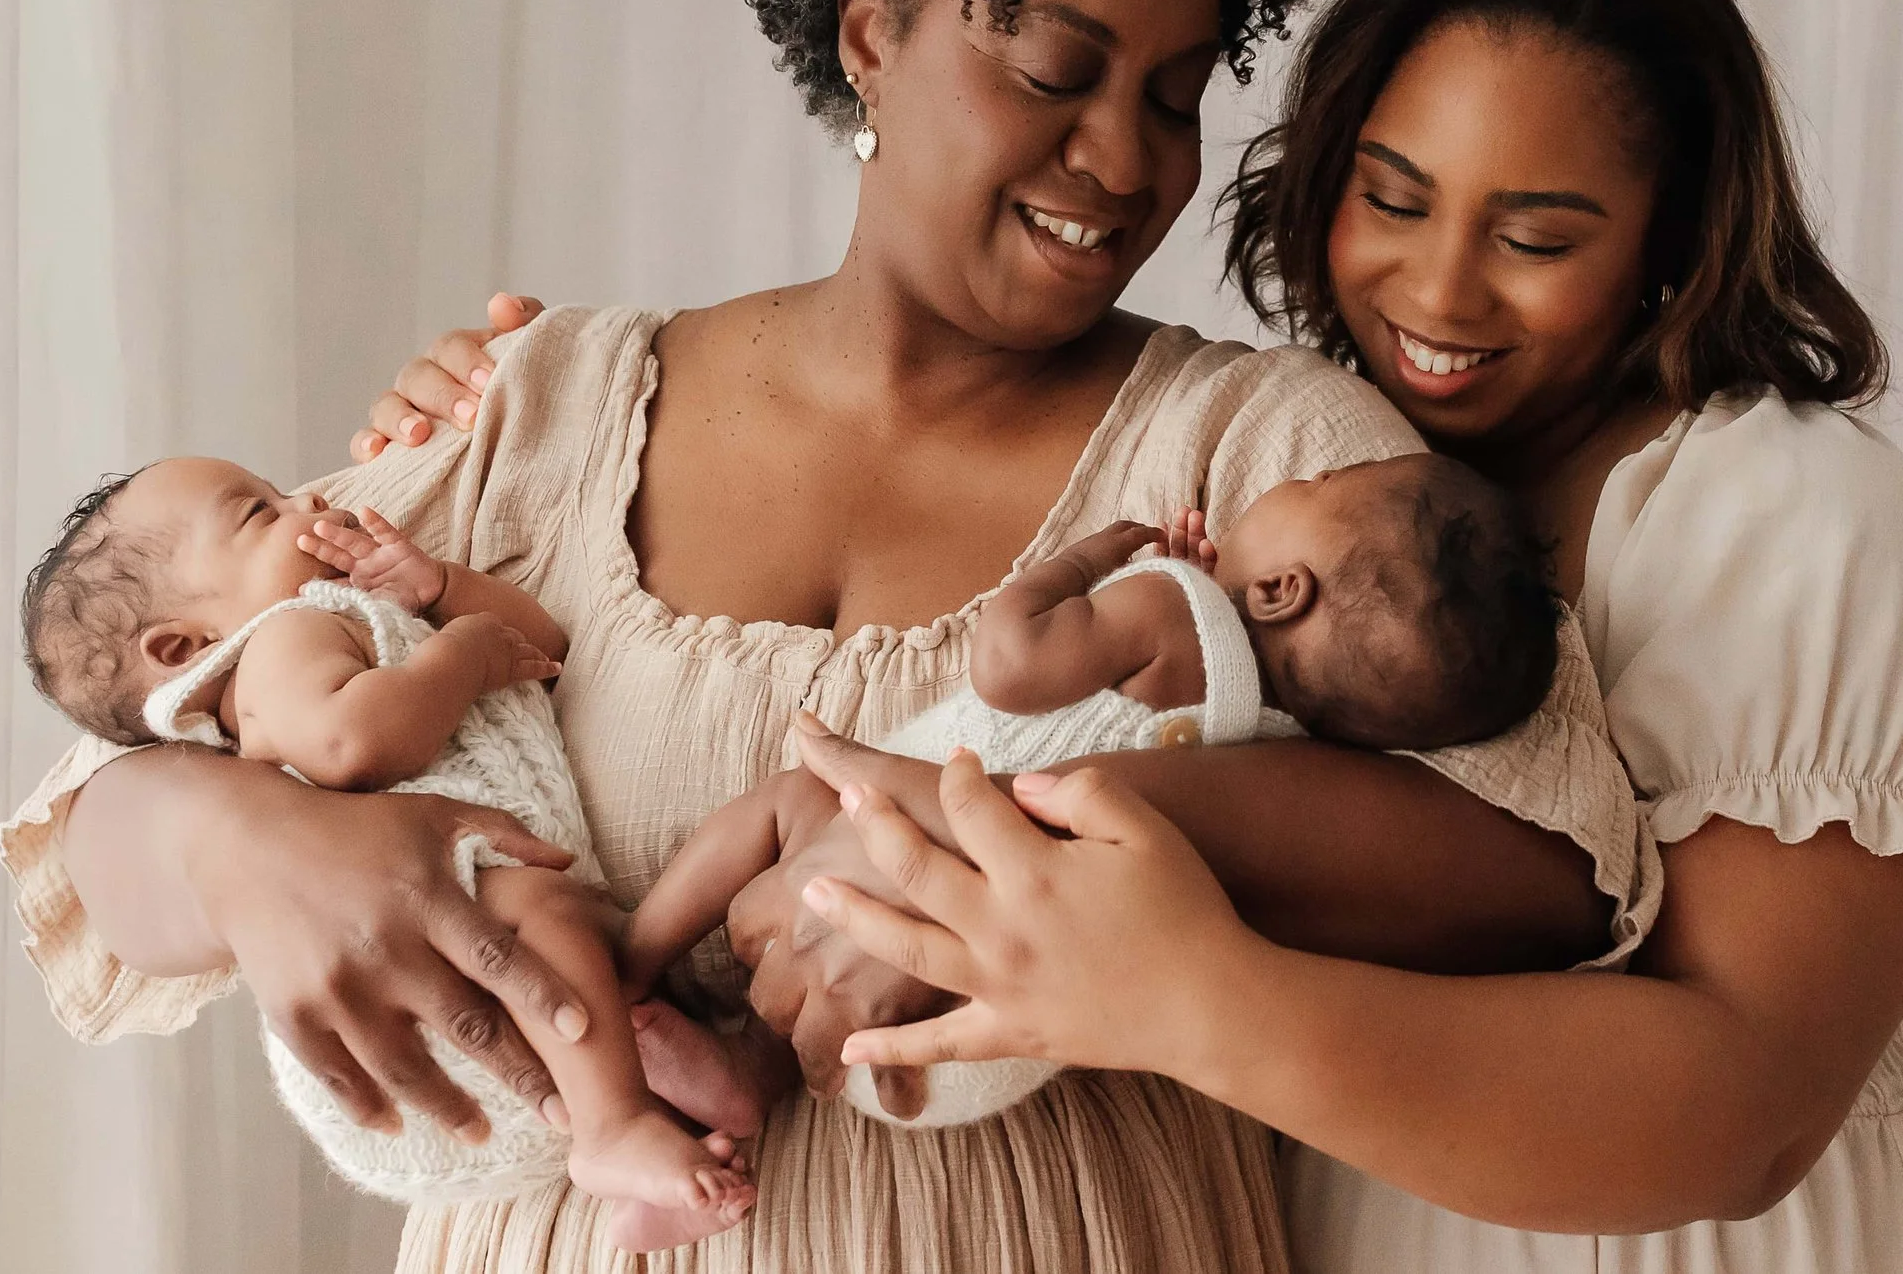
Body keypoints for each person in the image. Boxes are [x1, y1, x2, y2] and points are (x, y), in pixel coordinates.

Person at [0, 0, 1651, 1271]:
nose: (1130, 160)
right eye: (1058, 69)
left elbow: (1547, 864)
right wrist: (233, 843)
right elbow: (100, 815)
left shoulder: (1255, 452)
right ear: (872, 31)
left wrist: (980, 849)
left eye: (1172, 93)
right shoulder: (541, 406)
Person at [784, 0, 1903, 1274]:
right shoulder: (1308, 482)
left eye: (1536, 241)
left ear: (1668, 244)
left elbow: (1746, 1119)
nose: (1441, 293)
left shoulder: (1800, 534)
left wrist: (1183, 993)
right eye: (1392, 199)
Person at [620, 456, 1561, 1132]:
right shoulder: (1289, 752)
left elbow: (1007, 665)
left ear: (1279, 590)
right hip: (989, 1035)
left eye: (1312, 486)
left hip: (891, 858)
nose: (1287, 483)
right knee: (818, 1032)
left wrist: (1093, 565)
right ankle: (746, 1076)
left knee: (793, 792)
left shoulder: (1166, 610)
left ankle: (634, 956)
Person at [18, 460, 751, 1227]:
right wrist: (460, 654)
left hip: (468, 923)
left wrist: (441, 592)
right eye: (260, 514)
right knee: (552, 916)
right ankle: (611, 1130)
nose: (310, 499)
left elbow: (538, 648)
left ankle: (665, 1160)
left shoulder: (339, 614)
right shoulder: (277, 643)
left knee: (603, 942)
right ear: (182, 646)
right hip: (449, 907)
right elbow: (352, 743)